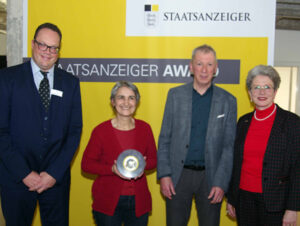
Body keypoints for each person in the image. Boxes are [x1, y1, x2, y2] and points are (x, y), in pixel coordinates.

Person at [0, 23, 82, 226]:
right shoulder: (7, 79)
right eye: (43, 45)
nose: (48, 52)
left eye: (54, 47)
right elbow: (1, 131)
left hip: (55, 181)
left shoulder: (70, 83)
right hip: (16, 179)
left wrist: (54, 173)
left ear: (59, 51)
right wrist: (24, 173)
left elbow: (74, 132)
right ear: (32, 44)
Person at [157, 44, 237, 226]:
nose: (204, 70)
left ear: (216, 68)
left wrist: (221, 182)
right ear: (191, 67)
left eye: (209, 65)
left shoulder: (228, 100)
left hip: (211, 179)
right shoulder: (175, 95)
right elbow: (164, 139)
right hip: (178, 176)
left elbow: (228, 147)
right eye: (199, 64)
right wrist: (164, 174)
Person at [226, 65, 300, 226]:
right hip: (244, 199)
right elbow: (235, 163)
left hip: (276, 202)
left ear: (275, 91)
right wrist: (232, 198)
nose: (262, 92)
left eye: (267, 87)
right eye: (256, 87)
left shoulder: (292, 122)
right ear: (249, 93)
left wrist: (292, 208)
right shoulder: (243, 122)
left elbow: (297, 168)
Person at [81, 81, 157, 226]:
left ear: (137, 102)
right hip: (107, 201)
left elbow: (154, 159)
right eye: (121, 97)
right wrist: (111, 169)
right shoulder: (100, 131)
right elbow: (86, 165)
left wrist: (144, 165)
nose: (126, 102)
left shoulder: (145, 128)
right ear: (113, 102)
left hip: (138, 202)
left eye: (131, 98)